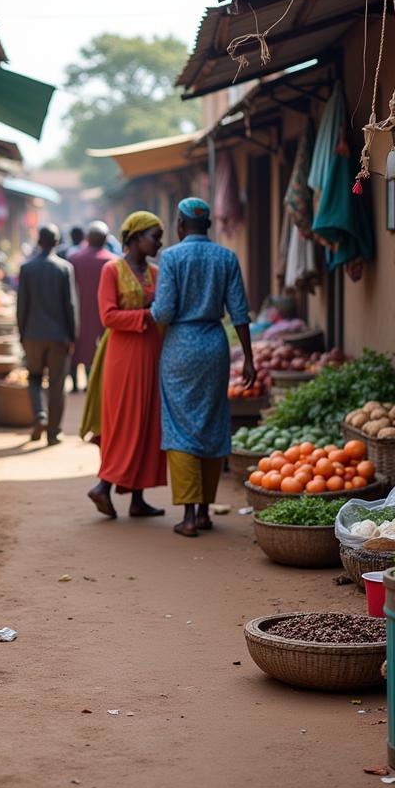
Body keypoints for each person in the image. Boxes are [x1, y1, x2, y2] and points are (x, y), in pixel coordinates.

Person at [151, 197, 255, 537]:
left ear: (180, 225)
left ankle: (189, 515)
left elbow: (163, 312)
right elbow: (239, 312)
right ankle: (206, 511)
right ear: (208, 225)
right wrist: (250, 358)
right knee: (212, 421)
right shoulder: (226, 257)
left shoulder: (171, 257)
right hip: (214, 345)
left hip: (181, 346)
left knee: (180, 425)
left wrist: (150, 312)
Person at [81, 211, 166, 519]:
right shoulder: (111, 270)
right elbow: (108, 316)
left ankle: (137, 499)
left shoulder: (157, 273)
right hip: (123, 354)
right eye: (154, 237)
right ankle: (103, 486)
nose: (159, 243)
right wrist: (146, 315)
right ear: (135, 238)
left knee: (146, 422)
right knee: (125, 423)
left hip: (152, 352)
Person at [16, 224, 79, 444]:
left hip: (33, 334)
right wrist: (73, 336)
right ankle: (54, 433)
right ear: (57, 241)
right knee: (57, 383)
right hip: (59, 337)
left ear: (39, 241)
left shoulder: (27, 268)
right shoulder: (64, 268)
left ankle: (39, 415)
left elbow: (21, 306)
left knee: (33, 377)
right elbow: (70, 306)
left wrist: (22, 335)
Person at [68, 221, 116, 391]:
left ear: (88, 238)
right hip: (103, 313)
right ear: (105, 240)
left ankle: (74, 384)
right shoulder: (113, 262)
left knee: (77, 347)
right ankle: (91, 383)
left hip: (78, 311)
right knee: (96, 349)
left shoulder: (74, 259)